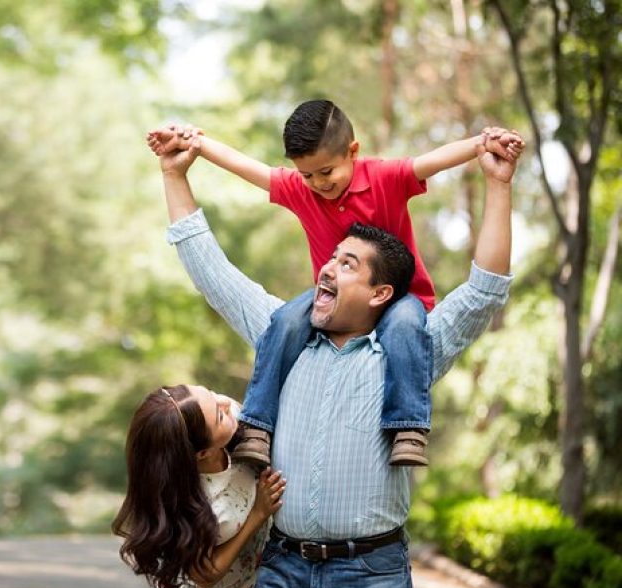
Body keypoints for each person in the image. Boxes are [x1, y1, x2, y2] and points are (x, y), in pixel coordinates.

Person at [157, 130, 517, 588]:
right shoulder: (281, 337)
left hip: (371, 578)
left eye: (348, 265)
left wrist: (499, 184)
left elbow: (483, 291)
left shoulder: (410, 354)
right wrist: (174, 174)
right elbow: (211, 270)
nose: (327, 269)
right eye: (332, 258)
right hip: (282, 570)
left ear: (379, 294)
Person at [148, 100, 523, 469]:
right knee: (284, 321)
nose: (317, 184)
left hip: (405, 299)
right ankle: (258, 425)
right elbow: (250, 169)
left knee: (406, 327)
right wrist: (195, 143)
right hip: (322, 303)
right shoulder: (302, 189)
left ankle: (408, 425)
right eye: (308, 175)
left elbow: (434, 161)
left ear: (352, 151)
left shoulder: (383, 178)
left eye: (326, 172)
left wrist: (481, 145)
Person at [112, 384, 287, 588]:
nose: (225, 403)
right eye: (218, 416)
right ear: (202, 453)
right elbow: (205, 574)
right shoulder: (185, 501)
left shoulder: (230, 419)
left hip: (248, 586)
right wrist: (258, 514)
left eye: (212, 394)